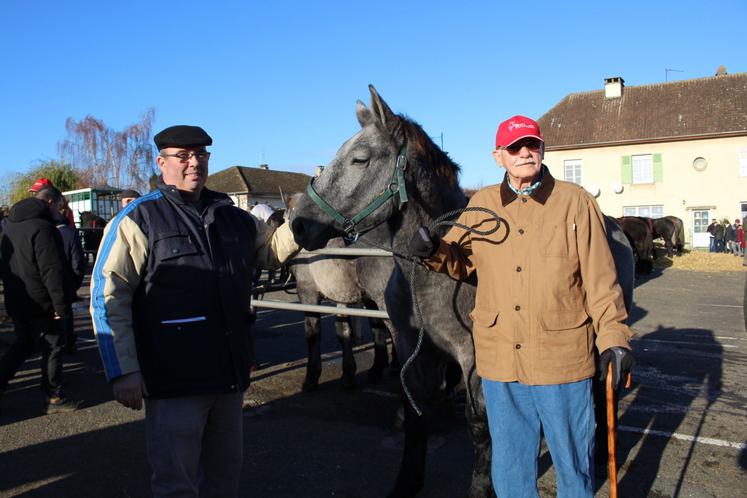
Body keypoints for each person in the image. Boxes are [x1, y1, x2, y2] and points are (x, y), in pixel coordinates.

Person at [408, 115, 634, 497]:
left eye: (532, 144)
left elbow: (602, 281)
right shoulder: (481, 205)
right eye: (515, 147)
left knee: (573, 466)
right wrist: (433, 252)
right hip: (501, 363)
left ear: (543, 149)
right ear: (499, 156)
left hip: (562, 359)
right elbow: (461, 262)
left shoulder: (575, 202)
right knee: (510, 471)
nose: (525, 152)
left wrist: (615, 338)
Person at [90, 125, 300, 497]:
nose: (194, 163)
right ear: (161, 162)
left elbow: (271, 251)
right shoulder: (140, 219)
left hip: (228, 376)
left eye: (200, 155)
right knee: (176, 483)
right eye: (183, 156)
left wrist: (309, 220)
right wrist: (123, 370)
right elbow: (108, 295)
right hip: (174, 381)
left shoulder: (231, 215)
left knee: (224, 477)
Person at [0, 196, 79, 414]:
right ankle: (53, 395)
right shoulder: (43, 229)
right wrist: (59, 306)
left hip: (17, 298)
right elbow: (51, 271)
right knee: (53, 345)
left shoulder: (9, 229)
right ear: (50, 203)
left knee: (23, 343)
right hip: (41, 301)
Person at [35, 186, 86, 353]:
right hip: (61, 284)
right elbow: (76, 264)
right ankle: (66, 344)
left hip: (42, 287)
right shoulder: (66, 233)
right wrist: (74, 284)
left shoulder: (33, 230)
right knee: (63, 319)